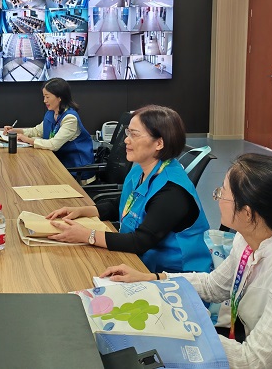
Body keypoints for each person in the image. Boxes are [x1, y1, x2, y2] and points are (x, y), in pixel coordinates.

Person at [102, 154, 272, 369]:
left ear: (248, 213)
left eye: (223, 192)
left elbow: (251, 361)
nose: (217, 197)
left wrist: (179, 327)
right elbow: (214, 286)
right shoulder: (247, 240)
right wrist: (154, 279)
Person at [45, 105, 212, 274]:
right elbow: (123, 203)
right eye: (128, 132)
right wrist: (82, 211)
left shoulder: (172, 191)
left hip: (175, 276)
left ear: (159, 143)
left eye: (134, 134)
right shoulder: (140, 169)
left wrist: (87, 235)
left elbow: (140, 242)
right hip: (141, 261)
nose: (126, 140)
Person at [3, 77, 93, 169]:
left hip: (76, 168)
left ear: (60, 97)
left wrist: (27, 139)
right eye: (44, 97)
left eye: (47, 97)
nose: (44, 100)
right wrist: (14, 131)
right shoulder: (51, 112)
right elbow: (37, 131)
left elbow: (53, 145)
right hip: (57, 162)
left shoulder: (70, 118)